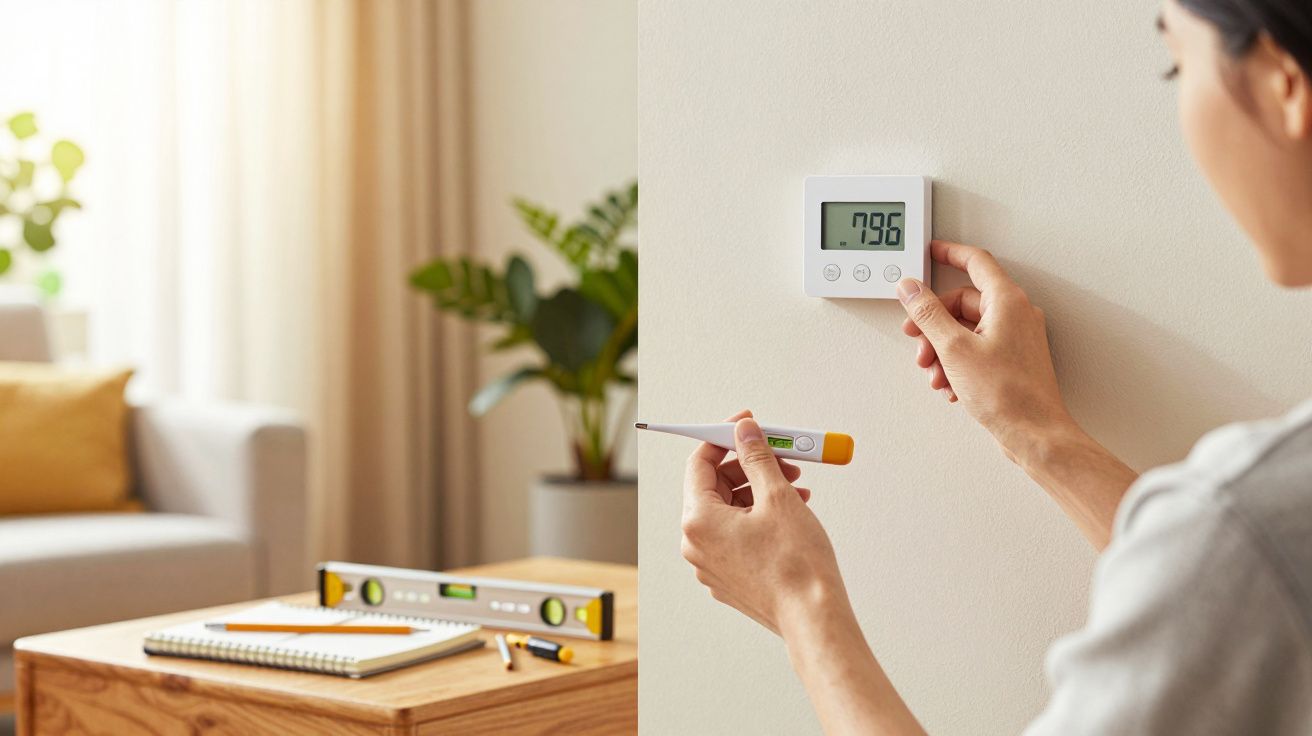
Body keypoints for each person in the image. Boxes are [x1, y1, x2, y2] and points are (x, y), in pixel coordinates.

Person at [679, 1, 1312, 733]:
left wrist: (799, 604)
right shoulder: (1255, 529)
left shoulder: (1243, 520)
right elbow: (1248, 586)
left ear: (1280, 83)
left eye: (1179, 63)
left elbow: (1238, 566)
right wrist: (1032, 426)